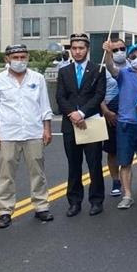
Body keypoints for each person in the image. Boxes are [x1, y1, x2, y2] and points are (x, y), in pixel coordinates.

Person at [0, 44, 54, 229]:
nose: (20, 61)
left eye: (23, 57)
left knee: (38, 172)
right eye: (16, 57)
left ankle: (41, 206)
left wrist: (47, 128)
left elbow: (44, 106)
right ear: (7, 59)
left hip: (33, 131)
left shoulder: (37, 78)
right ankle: (5, 211)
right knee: (6, 174)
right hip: (8, 133)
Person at [56, 33, 107, 218]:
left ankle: (96, 201)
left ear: (87, 49)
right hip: (70, 125)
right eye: (74, 48)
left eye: (81, 48)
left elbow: (99, 95)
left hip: (91, 122)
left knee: (94, 165)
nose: (77, 52)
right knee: (74, 165)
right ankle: (74, 202)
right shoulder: (64, 71)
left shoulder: (98, 69)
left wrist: (83, 113)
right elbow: (60, 97)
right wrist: (72, 114)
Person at [106, 43, 137, 210]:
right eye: (133, 56)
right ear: (128, 58)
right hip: (125, 123)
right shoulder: (123, 73)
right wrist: (108, 53)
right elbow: (111, 67)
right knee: (124, 162)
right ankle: (126, 195)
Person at [101, 38, 128, 197]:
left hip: (130, 111)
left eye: (121, 48)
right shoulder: (103, 69)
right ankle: (116, 181)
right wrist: (106, 111)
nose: (119, 52)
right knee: (112, 151)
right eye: (115, 50)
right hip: (111, 110)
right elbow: (98, 93)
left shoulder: (134, 66)